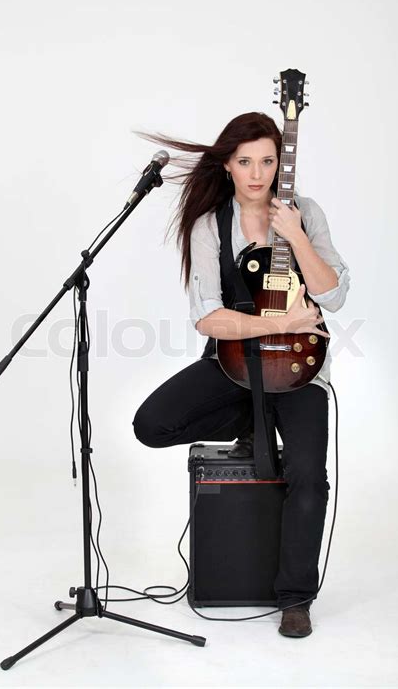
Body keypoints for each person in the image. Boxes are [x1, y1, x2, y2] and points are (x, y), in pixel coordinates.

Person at [132, 112, 350, 638]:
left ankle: (295, 597)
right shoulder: (211, 224)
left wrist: (295, 235)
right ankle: (247, 419)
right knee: (151, 424)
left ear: (281, 164)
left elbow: (335, 294)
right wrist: (281, 321)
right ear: (227, 165)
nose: (258, 173)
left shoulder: (306, 211)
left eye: (268, 161)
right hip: (232, 363)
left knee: (308, 476)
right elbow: (208, 315)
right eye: (246, 161)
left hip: (300, 370)